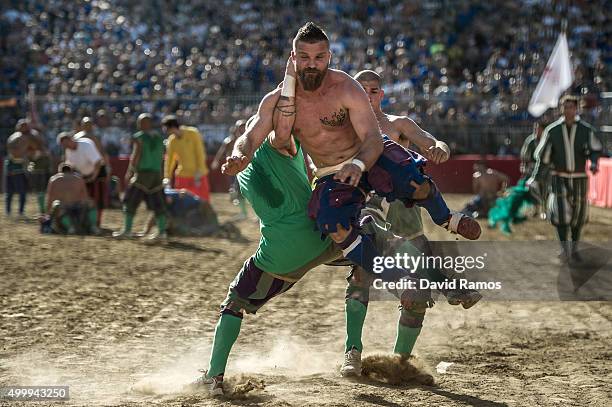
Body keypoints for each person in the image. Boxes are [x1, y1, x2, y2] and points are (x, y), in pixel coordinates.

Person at [222, 22, 480, 289]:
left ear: (329, 57)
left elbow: (372, 138)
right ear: (293, 58)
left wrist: (359, 163)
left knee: (411, 177)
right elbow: (250, 136)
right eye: (305, 57)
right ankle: (399, 280)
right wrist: (240, 156)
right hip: (331, 172)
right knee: (335, 226)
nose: (312, 64)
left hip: (370, 154)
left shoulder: (346, 86)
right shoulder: (277, 100)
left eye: (319, 57)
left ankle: (448, 219)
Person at [337, 70, 481, 377]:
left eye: (374, 90)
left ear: (381, 94)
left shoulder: (399, 124)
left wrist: (440, 148)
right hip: (368, 210)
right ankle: (352, 351)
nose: (369, 95)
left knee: (416, 293)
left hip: (406, 215)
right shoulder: (345, 129)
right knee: (362, 277)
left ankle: (400, 361)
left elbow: (431, 141)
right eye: (362, 90)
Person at [528, 95, 603, 262]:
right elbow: (543, 158)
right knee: (560, 214)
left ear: (576, 109)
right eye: (565, 107)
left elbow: (595, 149)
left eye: (571, 107)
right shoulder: (552, 131)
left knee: (578, 215)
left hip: (579, 179)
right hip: (559, 178)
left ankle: (574, 249)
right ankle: (564, 248)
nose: (568, 110)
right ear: (560, 109)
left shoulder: (586, 130)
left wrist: (594, 162)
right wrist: (535, 178)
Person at [113, 113, 167, 242]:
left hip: (143, 174)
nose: (138, 125)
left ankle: (127, 231)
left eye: (139, 122)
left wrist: (130, 171)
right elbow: (162, 157)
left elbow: (136, 155)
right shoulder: (159, 137)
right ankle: (162, 232)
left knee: (130, 201)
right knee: (159, 204)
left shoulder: (139, 137)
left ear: (144, 124)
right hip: (156, 174)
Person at [57, 132, 104, 227]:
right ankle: (85, 221)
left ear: (71, 139)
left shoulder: (86, 145)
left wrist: (93, 177)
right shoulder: (68, 150)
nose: (66, 147)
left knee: (97, 199)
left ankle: (96, 222)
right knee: (83, 198)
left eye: (66, 143)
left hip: (97, 173)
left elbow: (97, 162)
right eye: (64, 146)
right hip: (83, 176)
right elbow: (69, 167)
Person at [162, 115, 211, 202]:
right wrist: (167, 177)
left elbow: (200, 153)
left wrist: (199, 171)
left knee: (204, 201)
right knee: (182, 203)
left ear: (172, 127)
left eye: (167, 129)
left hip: (198, 174)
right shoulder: (172, 140)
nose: (166, 132)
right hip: (183, 175)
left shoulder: (193, 133)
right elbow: (169, 160)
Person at [43, 162, 98, 234]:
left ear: (60, 171)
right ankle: (92, 226)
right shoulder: (79, 179)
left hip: (63, 208)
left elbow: (49, 198)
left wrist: (47, 213)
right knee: (91, 203)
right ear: (71, 171)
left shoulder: (53, 180)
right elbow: (85, 197)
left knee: (56, 204)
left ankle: (66, 227)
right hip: (78, 208)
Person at [74, 116, 109, 226]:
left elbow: (102, 154)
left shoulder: (94, 137)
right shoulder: (79, 137)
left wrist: (106, 166)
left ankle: (95, 221)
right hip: (84, 169)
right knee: (85, 196)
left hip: (95, 169)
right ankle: (87, 220)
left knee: (97, 197)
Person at [212, 119, 249, 220]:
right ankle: (242, 210)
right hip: (233, 168)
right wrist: (216, 161)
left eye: (243, 126)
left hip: (245, 168)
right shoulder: (230, 140)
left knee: (240, 189)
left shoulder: (248, 140)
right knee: (235, 187)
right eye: (240, 127)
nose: (242, 129)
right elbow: (221, 151)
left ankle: (242, 208)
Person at [17, 119, 50, 214]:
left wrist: (34, 154)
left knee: (42, 189)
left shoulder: (33, 135)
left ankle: (43, 210)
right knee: (39, 190)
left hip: (41, 164)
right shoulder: (24, 136)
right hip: (35, 164)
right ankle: (42, 209)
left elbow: (39, 148)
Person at [4, 120, 31, 218]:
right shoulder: (20, 137)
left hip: (12, 166)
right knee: (19, 192)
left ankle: (11, 212)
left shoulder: (14, 136)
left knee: (11, 192)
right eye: (25, 126)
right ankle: (18, 212)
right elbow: (15, 153)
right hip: (16, 167)